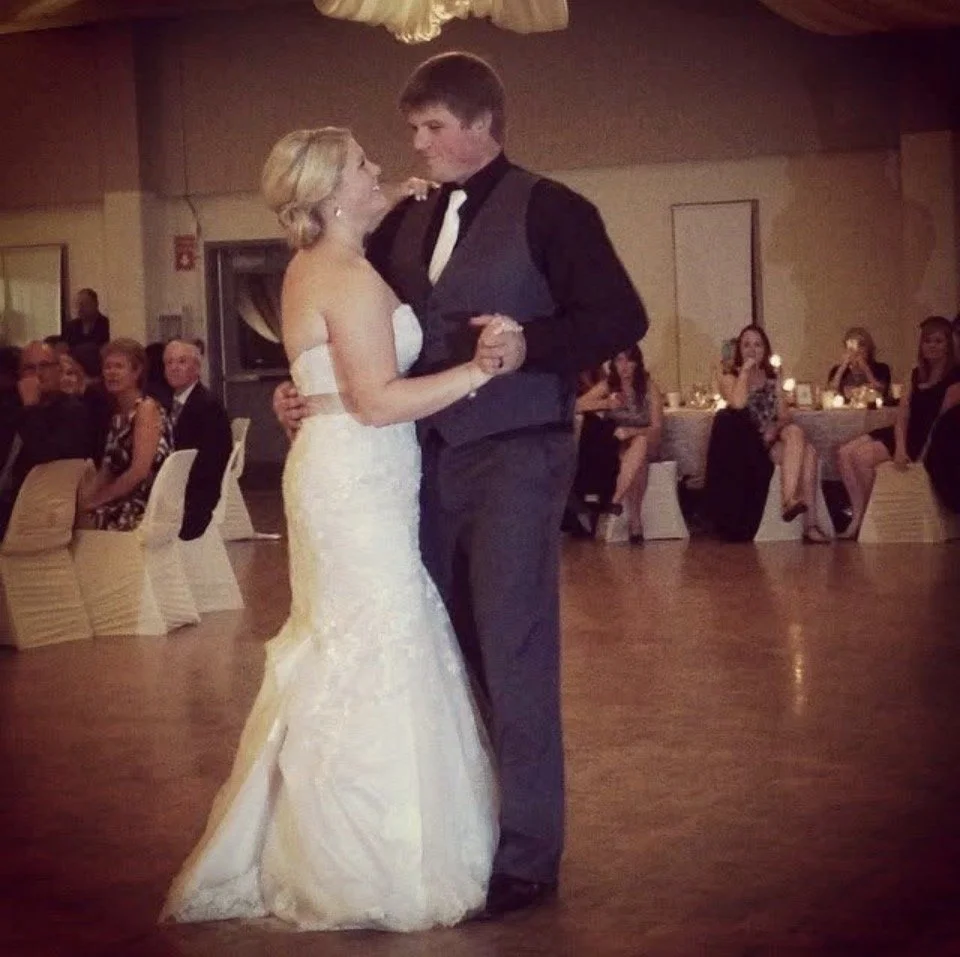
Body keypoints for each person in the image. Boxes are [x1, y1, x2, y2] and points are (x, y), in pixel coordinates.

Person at [273, 52, 647, 917]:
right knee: (443, 648)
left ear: (481, 124)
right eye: (413, 128)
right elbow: (363, 335)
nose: (418, 143)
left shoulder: (554, 209)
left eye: (433, 127)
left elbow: (621, 316)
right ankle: (460, 827)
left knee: (515, 648)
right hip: (414, 459)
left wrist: (531, 346)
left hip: (516, 453)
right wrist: (312, 393)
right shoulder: (404, 219)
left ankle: (527, 854)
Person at [162, 126, 512, 932]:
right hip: (357, 479)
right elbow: (379, 401)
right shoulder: (345, 276)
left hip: (345, 471)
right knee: (377, 643)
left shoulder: (311, 265)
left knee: (349, 640)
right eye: (362, 164)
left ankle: (338, 840)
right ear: (329, 191)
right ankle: (369, 861)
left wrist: (403, 196)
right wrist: (479, 369)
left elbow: (330, 378)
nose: (378, 166)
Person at [835, 315, 960, 539]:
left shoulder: (955, 378)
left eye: (938, 341)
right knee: (844, 453)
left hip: (925, 439)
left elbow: (941, 423)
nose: (932, 346)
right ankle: (859, 516)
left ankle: (869, 519)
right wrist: (899, 446)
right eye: (927, 341)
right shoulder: (915, 374)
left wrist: (919, 454)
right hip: (903, 433)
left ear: (948, 345)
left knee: (861, 458)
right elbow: (902, 415)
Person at [718, 324, 831, 542]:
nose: (752, 350)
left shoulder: (772, 377)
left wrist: (775, 428)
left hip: (771, 439)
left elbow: (785, 416)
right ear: (739, 349)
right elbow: (738, 403)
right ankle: (804, 520)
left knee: (801, 440)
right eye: (746, 345)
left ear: (765, 349)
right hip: (748, 444)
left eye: (758, 345)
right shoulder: (730, 376)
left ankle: (794, 507)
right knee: (807, 452)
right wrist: (745, 372)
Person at [77, 338, 172, 530]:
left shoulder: (146, 409)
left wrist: (98, 500)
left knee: (79, 524)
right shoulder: (118, 416)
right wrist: (83, 501)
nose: (111, 373)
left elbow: (139, 472)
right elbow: (107, 470)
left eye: (119, 367)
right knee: (67, 518)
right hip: (125, 496)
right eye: (107, 367)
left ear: (137, 372)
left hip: (146, 501)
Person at [0, 341, 89, 538]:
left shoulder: (72, 411)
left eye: (45, 366)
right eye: (29, 368)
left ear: (58, 371)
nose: (38, 374)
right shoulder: (11, 407)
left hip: (36, 506)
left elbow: (46, 458)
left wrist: (31, 408)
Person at [575, 345, 663, 543]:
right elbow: (577, 405)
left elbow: (656, 427)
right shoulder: (609, 385)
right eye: (619, 360)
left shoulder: (648, 387)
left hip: (646, 437)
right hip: (619, 443)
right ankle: (635, 523)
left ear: (637, 363)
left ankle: (615, 499)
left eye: (629, 360)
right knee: (637, 462)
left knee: (640, 444)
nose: (624, 366)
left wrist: (632, 431)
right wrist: (606, 403)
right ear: (613, 364)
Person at [162, 339, 232, 540]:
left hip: (194, 498)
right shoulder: (168, 403)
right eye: (169, 362)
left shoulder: (207, 406)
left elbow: (212, 461)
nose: (174, 368)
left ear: (197, 367)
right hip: (176, 489)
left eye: (182, 361)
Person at [826, 326, 892, 403]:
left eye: (861, 346)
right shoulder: (837, 371)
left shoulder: (881, 368)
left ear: (868, 349)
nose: (856, 352)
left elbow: (882, 391)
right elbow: (829, 392)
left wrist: (865, 369)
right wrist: (843, 367)